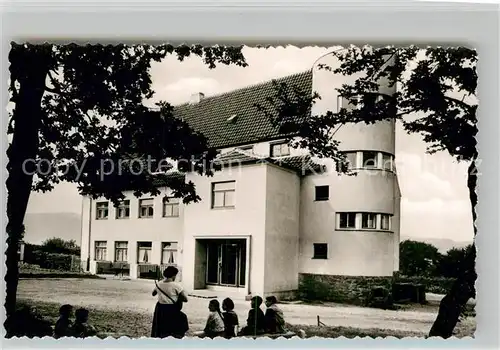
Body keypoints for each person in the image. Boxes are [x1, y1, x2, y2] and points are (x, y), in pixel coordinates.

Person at [151, 266, 189, 338]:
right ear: (174, 275)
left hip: (160, 309)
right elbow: (185, 299)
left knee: (162, 326)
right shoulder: (176, 286)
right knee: (182, 318)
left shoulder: (159, 284)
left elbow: (153, 293)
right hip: (171, 308)